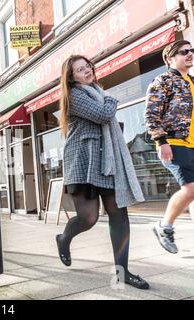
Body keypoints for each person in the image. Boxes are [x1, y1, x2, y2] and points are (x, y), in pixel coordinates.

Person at [56, 55, 149, 289]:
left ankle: (123, 272)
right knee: (88, 219)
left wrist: (106, 97)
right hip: (83, 162)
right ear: (71, 77)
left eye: (88, 66)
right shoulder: (75, 96)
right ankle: (64, 238)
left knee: (119, 215)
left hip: (107, 162)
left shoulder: (98, 92)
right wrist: (111, 99)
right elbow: (103, 114)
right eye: (80, 69)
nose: (87, 70)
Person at [145, 40, 194, 254]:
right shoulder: (163, 80)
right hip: (174, 142)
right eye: (184, 52)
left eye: (192, 50)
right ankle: (164, 227)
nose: (190, 54)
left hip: (192, 143)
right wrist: (161, 141)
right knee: (191, 188)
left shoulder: (192, 81)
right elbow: (151, 114)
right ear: (170, 58)